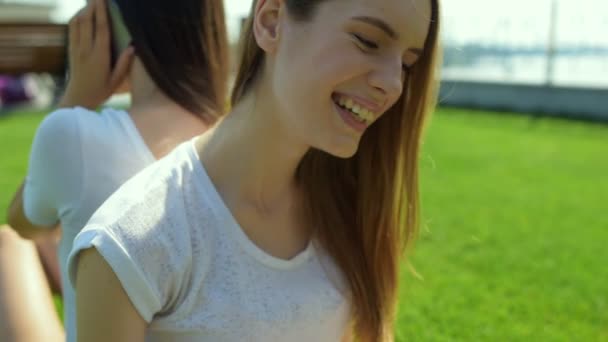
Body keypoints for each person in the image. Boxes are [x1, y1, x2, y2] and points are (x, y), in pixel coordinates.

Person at [69, 0, 441, 340]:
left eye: (407, 63)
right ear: (271, 21)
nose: (393, 84)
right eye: (367, 40)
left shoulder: (346, 209)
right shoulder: (133, 243)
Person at [1, 0, 228, 340]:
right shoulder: (237, 141)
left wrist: (76, 97)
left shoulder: (72, 135)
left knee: (8, 244)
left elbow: (23, 223)